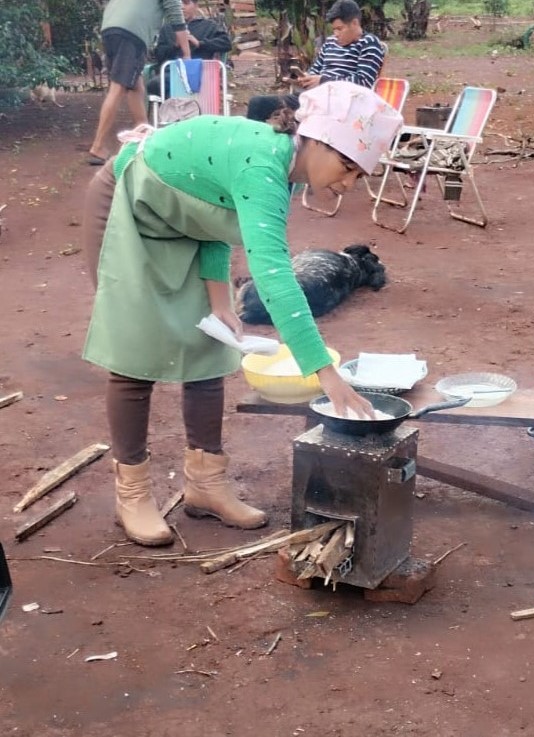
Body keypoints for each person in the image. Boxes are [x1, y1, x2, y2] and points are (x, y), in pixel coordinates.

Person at [81, 81, 402, 549]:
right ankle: (132, 495)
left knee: (212, 346)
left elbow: (214, 217)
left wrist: (217, 300)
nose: (347, 183)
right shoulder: (263, 167)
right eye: (346, 166)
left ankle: (205, 484)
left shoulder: (289, 174)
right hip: (127, 206)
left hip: (181, 224)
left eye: (359, 175)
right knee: (135, 355)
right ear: (313, 138)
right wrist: (325, 373)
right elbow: (275, 279)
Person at [245, 0, 386, 121]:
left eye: (340, 29)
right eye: (334, 29)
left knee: (265, 107)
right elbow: (315, 72)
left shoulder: (369, 43)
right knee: (258, 104)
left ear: (355, 23)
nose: (336, 34)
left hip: (339, 104)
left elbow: (364, 83)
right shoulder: (330, 43)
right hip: (314, 99)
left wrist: (323, 80)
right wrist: (305, 79)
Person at [88, 0, 190, 165]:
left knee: (136, 86)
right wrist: (187, 54)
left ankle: (144, 135)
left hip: (110, 27)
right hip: (132, 31)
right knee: (118, 87)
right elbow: (176, 17)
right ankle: (98, 146)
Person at [148, 0, 232, 97]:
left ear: (196, 6)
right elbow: (160, 56)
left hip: (200, 73)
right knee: (155, 84)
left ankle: (182, 108)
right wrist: (176, 45)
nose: (182, 8)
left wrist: (200, 43)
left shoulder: (209, 26)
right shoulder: (167, 29)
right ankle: (174, 109)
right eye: (178, 5)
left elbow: (226, 43)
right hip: (173, 74)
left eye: (186, 3)